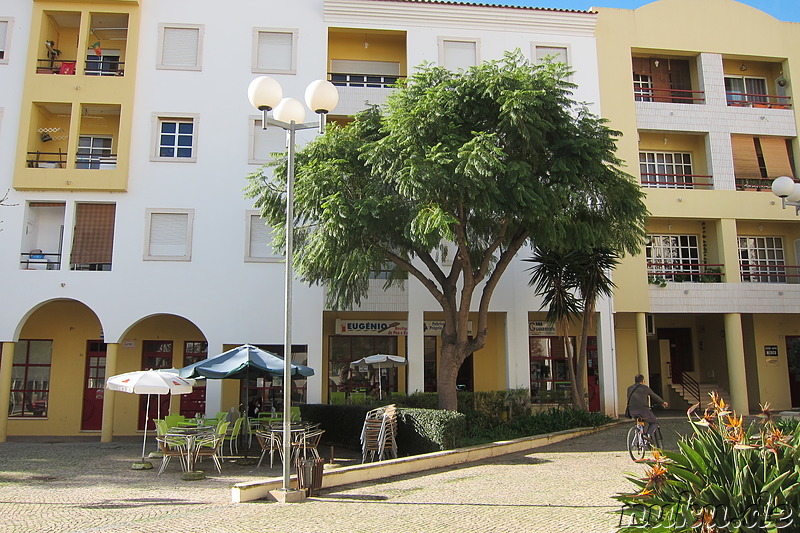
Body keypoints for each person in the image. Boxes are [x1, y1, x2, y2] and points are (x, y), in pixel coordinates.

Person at [627, 374, 669, 441]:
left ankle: (638, 437)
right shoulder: (645, 388)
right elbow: (654, 396)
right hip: (643, 411)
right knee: (654, 422)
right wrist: (663, 402)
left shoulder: (629, 388)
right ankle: (648, 435)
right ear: (643, 381)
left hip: (632, 411)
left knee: (640, 423)